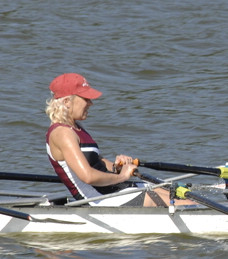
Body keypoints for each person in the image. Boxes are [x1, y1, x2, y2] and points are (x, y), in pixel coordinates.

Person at [45, 73, 168, 206]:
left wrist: (117, 168)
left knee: (167, 189)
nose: (90, 103)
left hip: (111, 191)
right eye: (86, 98)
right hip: (98, 201)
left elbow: (96, 161)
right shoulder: (62, 133)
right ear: (67, 102)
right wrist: (122, 176)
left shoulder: (75, 127)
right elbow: (88, 176)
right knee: (161, 197)